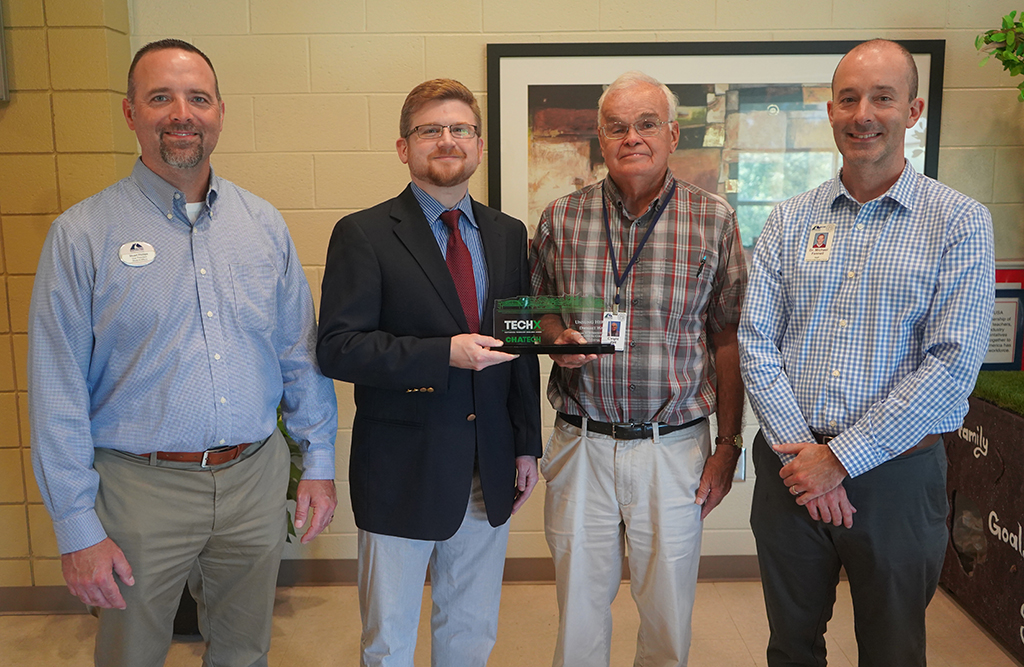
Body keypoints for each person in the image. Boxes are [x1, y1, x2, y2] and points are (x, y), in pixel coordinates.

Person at [28, 39, 338, 667]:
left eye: (198, 98)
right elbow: (56, 390)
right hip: (139, 487)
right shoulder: (82, 235)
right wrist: (77, 527)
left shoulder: (262, 225)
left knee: (245, 650)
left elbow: (297, 355)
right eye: (160, 97)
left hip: (254, 476)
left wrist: (320, 459)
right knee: (131, 653)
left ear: (220, 112)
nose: (181, 113)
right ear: (130, 113)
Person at [738, 39, 995, 667]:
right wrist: (810, 461)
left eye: (882, 97)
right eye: (849, 99)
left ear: (913, 110)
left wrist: (840, 459)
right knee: (791, 647)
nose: (864, 114)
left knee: (893, 649)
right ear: (829, 111)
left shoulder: (959, 222)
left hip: (898, 478)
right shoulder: (789, 219)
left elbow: (952, 366)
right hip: (789, 472)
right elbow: (756, 343)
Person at [316, 78, 542, 667]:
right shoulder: (362, 233)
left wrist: (526, 446)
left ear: (479, 144)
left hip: (487, 466)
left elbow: (518, 346)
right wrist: (443, 353)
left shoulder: (508, 233)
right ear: (403, 147)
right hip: (400, 470)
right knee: (389, 640)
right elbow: (338, 348)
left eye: (460, 129)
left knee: (471, 632)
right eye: (430, 130)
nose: (447, 140)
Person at [529, 71, 748, 667]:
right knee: (577, 611)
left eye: (647, 123)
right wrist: (555, 339)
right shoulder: (560, 218)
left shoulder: (714, 220)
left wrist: (729, 447)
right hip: (583, 443)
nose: (633, 137)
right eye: (617, 127)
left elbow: (728, 339)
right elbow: (536, 311)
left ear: (672, 133)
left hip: (673, 448)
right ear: (601, 139)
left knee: (668, 614)